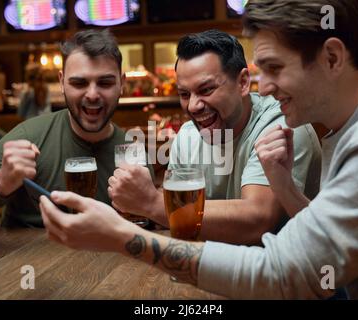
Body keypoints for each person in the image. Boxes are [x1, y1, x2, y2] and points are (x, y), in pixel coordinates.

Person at [39, 0, 358, 299]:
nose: (268, 87)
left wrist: (122, 236)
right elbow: (327, 243)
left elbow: (284, 272)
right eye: (185, 94)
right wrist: (289, 191)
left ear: (332, 58)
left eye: (274, 68)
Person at [107, 30, 322, 245]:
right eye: (184, 94)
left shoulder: (282, 124)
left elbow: (258, 220)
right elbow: (178, 222)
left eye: (206, 90)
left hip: (289, 271)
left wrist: (152, 203)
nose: (193, 106)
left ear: (243, 83)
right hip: (214, 268)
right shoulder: (187, 136)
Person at [0, 29, 135, 239]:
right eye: (79, 83)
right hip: (26, 269)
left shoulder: (133, 152)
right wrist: (0, 183)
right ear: (62, 82)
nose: (92, 94)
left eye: (105, 83)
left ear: (122, 83)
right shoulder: (28, 136)